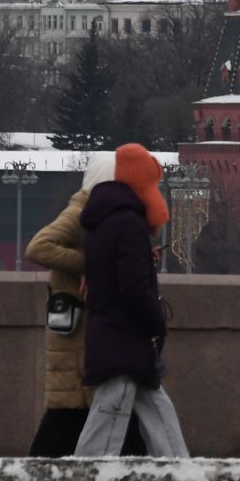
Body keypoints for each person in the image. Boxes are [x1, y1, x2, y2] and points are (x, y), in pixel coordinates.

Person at [24, 151, 146, 457]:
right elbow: (39, 247)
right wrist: (92, 265)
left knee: (95, 411)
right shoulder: (82, 209)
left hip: (89, 330)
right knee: (72, 411)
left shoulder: (102, 213)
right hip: (76, 330)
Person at [73, 143, 189, 458]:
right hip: (124, 336)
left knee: (153, 403)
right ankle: (85, 479)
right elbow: (133, 287)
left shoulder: (102, 221)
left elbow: (109, 273)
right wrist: (156, 321)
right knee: (112, 410)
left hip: (111, 332)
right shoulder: (129, 223)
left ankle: (181, 471)